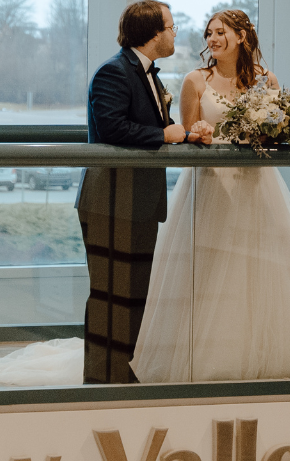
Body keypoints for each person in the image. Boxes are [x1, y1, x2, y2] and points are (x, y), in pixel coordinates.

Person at [128, 10, 290, 382]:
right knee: (211, 271)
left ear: (242, 37)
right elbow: (185, 134)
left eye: (221, 32)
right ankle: (209, 360)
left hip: (256, 185)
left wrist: (271, 131)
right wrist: (197, 130)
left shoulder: (266, 80)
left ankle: (273, 357)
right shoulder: (195, 81)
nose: (212, 39)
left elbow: (276, 134)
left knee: (264, 269)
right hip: (212, 185)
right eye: (209, 33)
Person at [68, 0, 213, 385]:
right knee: (108, 293)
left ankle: (125, 374)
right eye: (170, 27)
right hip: (111, 200)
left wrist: (188, 133)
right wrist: (162, 133)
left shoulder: (149, 74)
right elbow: (113, 129)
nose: (174, 34)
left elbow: (161, 127)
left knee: (134, 292)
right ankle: (100, 381)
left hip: (139, 201)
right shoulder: (113, 73)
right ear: (152, 33)